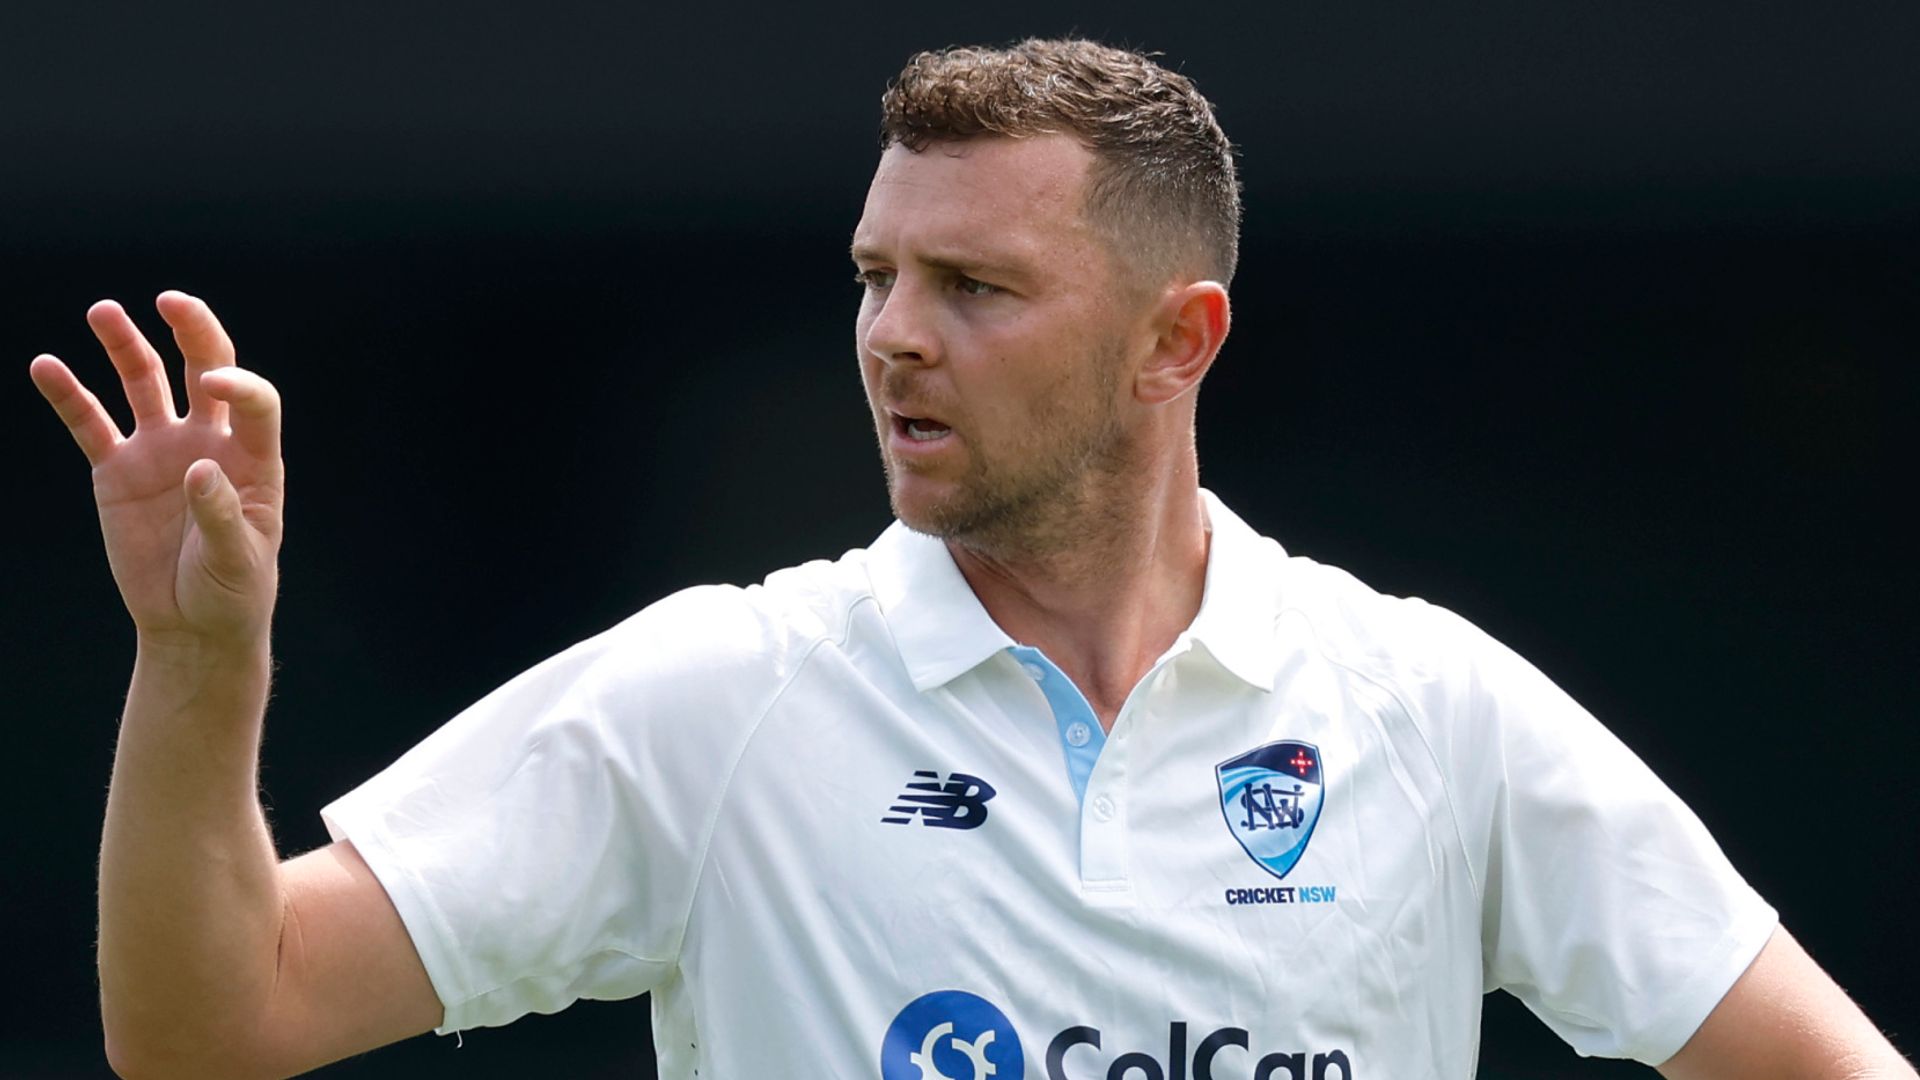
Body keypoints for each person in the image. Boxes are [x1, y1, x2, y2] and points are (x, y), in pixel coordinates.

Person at [30, 38, 1915, 1080]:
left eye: (976, 288)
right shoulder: (724, 697)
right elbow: (210, 1025)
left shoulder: (1423, 707)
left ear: (1177, 341)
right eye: (877, 277)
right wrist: (198, 667)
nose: (893, 339)